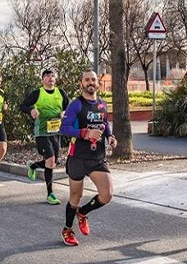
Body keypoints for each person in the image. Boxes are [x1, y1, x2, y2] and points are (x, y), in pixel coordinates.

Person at [59, 69, 117, 247]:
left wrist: (110, 136)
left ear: (97, 83)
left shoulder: (102, 104)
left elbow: (104, 123)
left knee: (107, 195)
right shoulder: (76, 105)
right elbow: (64, 128)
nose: (90, 82)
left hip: (97, 157)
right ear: (81, 84)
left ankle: (83, 213)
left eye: (93, 79)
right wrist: (84, 132)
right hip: (78, 157)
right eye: (87, 80)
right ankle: (68, 229)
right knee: (75, 197)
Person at [20, 69, 70, 205]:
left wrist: (64, 112)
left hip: (56, 132)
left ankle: (33, 165)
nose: (50, 78)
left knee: (53, 163)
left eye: (53, 76)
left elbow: (69, 108)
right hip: (41, 132)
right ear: (42, 80)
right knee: (50, 159)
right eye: (47, 76)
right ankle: (50, 194)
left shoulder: (61, 93)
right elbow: (22, 106)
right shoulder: (37, 93)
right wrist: (31, 110)